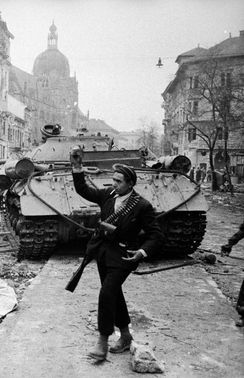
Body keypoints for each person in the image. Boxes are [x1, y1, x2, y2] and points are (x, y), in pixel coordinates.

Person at [70, 148, 164, 362]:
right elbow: (83, 190)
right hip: (103, 251)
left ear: (130, 184)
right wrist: (77, 168)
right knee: (114, 293)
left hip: (125, 255)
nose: (114, 184)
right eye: (113, 180)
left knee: (106, 293)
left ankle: (102, 341)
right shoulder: (108, 195)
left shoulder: (141, 206)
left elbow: (156, 235)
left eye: (119, 181)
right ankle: (126, 336)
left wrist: (142, 252)